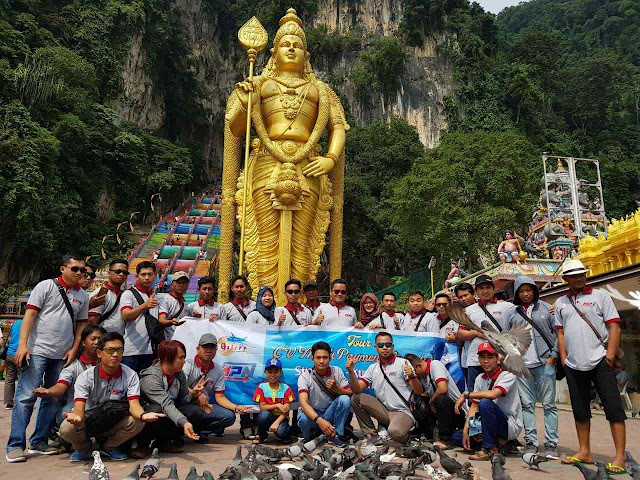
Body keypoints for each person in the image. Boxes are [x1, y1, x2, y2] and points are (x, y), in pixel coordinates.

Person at [7, 254, 90, 463]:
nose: (80, 273)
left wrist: (74, 348)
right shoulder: (45, 286)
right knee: (26, 397)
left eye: (83, 270)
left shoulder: (83, 296)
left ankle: (39, 441)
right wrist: (23, 345)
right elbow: (30, 316)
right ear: (63, 269)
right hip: (37, 350)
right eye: (75, 269)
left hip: (62, 354)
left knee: (52, 398)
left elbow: (81, 325)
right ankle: (16, 445)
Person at [554, 259, 627, 474]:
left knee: (613, 408)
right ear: (566, 279)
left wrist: (610, 356)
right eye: (574, 275)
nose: (579, 278)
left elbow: (614, 326)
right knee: (580, 409)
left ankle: (620, 456)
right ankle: (584, 450)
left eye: (582, 274)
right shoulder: (561, 303)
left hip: (600, 360)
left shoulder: (601, 296)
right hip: (574, 364)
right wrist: (564, 358)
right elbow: (561, 332)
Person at [57, 332, 164, 462]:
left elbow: (134, 404)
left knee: (138, 422)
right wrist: (77, 417)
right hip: (88, 421)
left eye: (119, 350)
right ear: (99, 353)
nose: (115, 354)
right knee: (67, 428)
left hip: (112, 421)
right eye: (110, 350)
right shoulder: (85, 377)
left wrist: (143, 415)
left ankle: (109, 447)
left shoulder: (130, 375)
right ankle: (83, 448)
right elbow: (79, 409)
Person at [507, 275, 559, 459]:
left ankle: (551, 443)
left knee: (549, 405)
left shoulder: (547, 309)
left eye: (528, 290)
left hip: (544, 363)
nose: (525, 294)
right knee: (527, 405)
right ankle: (531, 442)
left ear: (535, 291)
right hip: (523, 366)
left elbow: (558, 332)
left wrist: (553, 357)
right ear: (516, 293)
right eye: (521, 291)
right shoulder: (512, 313)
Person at [33, 325, 106, 451]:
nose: (96, 343)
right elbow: (61, 386)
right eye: (92, 339)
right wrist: (49, 391)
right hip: (79, 407)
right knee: (65, 412)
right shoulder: (73, 365)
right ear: (83, 342)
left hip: (102, 407)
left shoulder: (109, 362)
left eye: (100, 339)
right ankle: (72, 440)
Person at [347, 332, 423, 444]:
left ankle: (406, 438)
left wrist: (412, 376)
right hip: (384, 411)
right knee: (356, 398)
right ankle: (372, 436)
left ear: (392, 347)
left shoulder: (403, 363)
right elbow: (357, 390)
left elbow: (419, 391)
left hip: (403, 411)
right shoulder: (373, 368)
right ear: (375, 348)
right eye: (380, 345)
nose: (384, 348)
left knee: (395, 433)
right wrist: (351, 372)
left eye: (388, 345)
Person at [452, 341, 523, 460]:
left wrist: (466, 395)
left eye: (490, 357)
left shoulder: (508, 375)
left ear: (498, 359)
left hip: (508, 425)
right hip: (488, 423)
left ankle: (488, 449)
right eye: (482, 357)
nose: (486, 361)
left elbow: (493, 394)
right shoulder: (480, 378)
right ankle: (499, 443)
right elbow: (474, 407)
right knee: (458, 437)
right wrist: (467, 429)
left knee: (485, 402)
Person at [136, 340, 208, 456]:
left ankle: (164, 442)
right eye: (180, 358)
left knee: (194, 411)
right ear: (166, 359)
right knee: (157, 410)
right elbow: (166, 404)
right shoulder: (151, 378)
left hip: (170, 409)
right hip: (149, 413)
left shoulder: (179, 374)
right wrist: (184, 423)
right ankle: (142, 445)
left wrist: (193, 395)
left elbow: (183, 399)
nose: (184, 361)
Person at [183, 334, 251, 440]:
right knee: (193, 411)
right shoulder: (187, 365)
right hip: (186, 404)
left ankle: (200, 431)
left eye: (212, 347)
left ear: (216, 350)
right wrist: (196, 396)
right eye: (205, 347)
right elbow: (181, 386)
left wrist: (236, 407)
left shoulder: (218, 369)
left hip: (205, 407)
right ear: (198, 349)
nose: (208, 350)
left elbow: (220, 397)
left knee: (229, 416)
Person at [460, 275, 514, 392]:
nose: (485, 291)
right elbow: (461, 334)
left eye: (488, 287)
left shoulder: (507, 307)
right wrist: (477, 333)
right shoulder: (469, 310)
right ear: (476, 291)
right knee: (473, 394)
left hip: (500, 359)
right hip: (475, 359)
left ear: (494, 289)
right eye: (481, 288)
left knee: (499, 396)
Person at [405, 354, 466, 447]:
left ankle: (446, 440)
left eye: (415, 373)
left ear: (419, 366)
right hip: (444, 413)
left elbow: (442, 389)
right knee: (418, 399)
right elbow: (422, 393)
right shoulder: (423, 377)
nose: (415, 376)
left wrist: (431, 401)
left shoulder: (435, 364)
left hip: (458, 411)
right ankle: (427, 433)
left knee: (440, 399)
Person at [298, 341, 352, 445]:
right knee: (303, 419)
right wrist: (319, 421)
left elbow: (350, 394)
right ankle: (313, 436)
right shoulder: (305, 376)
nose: (321, 361)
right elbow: (303, 404)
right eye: (318, 358)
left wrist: (336, 388)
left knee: (344, 399)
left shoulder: (337, 371)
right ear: (312, 359)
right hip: (313, 415)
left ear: (330, 358)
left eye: (325, 357)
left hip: (329, 413)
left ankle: (337, 435)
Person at [120, 261, 159, 373]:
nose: (147, 277)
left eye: (150, 274)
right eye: (143, 274)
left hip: (150, 351)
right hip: (131, 351)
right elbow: (125, 316)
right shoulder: (129, 294)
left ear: (155, 276)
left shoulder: (157, 297)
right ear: (137, 276)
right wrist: (144, 306)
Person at [253, 358, 295, 444]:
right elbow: (262, 407)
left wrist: (277, 422)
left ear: (281, 373)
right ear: (265, 373)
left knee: (282, 433)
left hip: (281, 418)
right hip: (267, 416)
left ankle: (284, 433)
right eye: (270, 371)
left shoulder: (286, 388)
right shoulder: (261, 387)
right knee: (264, 414)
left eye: (276, 371)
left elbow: (286, 411)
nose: (273, 375)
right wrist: (277, 405)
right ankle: (261, 434)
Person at [88, 259, 129, 334]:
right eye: (117, 271)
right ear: (109, 273)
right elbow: (92, 320)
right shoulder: (101, 293)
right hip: (104, 339)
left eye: (125, 272)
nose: (121, 274)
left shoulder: (125, 294)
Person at [455, 282, 477, 387]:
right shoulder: (460, 313)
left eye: (466, 295)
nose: (463, 299)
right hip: (467, 357)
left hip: (486, 358)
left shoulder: (484, 309)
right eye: (460, 297)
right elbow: (460, 336)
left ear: (473, 294)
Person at [158, 271, 189, 340]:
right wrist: (171, 322)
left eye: (184, 283)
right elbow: (161, 319)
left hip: (180, 340)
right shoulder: (165, 299)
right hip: (168, 340)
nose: (181, 285)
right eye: (178, 282)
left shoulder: (185, 304)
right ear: (172, 285)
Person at [3, 318, 22, 410]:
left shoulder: (15, 324)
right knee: (22, 379)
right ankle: (20, 401)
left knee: (9, 379)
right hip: (20, 354)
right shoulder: (28, 324)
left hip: (9, 353)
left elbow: (9, 338)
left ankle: (8, 403)